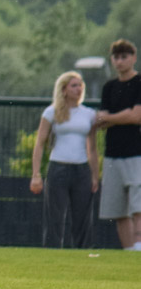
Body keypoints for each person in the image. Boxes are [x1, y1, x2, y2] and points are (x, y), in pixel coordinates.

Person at [29, 71, 98, 248]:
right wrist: (36, 174)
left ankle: (82, 253)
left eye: (80, 85)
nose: (78, 89)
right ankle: (52, 251)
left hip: (81, 169)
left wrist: (94, 175)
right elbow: (40, 143)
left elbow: (92, 148)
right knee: (54, 216)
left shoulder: (89, 114)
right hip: (58, 168)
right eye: (74, 85)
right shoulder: (51, 112)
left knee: (82, 217)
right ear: (64, 89)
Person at [93, 39, 141, 251]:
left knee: (138, 206)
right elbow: (100, 121)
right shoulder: (109, 87)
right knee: (118, 210)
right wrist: (121, 116)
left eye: (124, 57)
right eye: (116, 57)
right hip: (112, 154)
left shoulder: (139, 82)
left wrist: (110, 118)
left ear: (133, 58)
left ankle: (139, 245)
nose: (120, 61)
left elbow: (136, 116)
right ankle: (129, 250)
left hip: (136, 153)